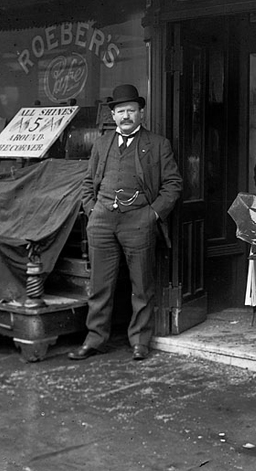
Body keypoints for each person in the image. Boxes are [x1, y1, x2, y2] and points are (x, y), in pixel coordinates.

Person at [68, 84, 182, 362]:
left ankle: (140, 342)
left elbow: (173, 184)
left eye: (131, 110)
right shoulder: (102, 143)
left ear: (141, 113)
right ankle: (95, 339)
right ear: (113, 115)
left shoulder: (157, 144)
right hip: (103, 220)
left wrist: (152, 214)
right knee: (99, 285)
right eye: (120, 111)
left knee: (141, 285)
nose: (126, 116)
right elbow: (87, 183)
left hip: (139, 221)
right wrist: (93, 211)